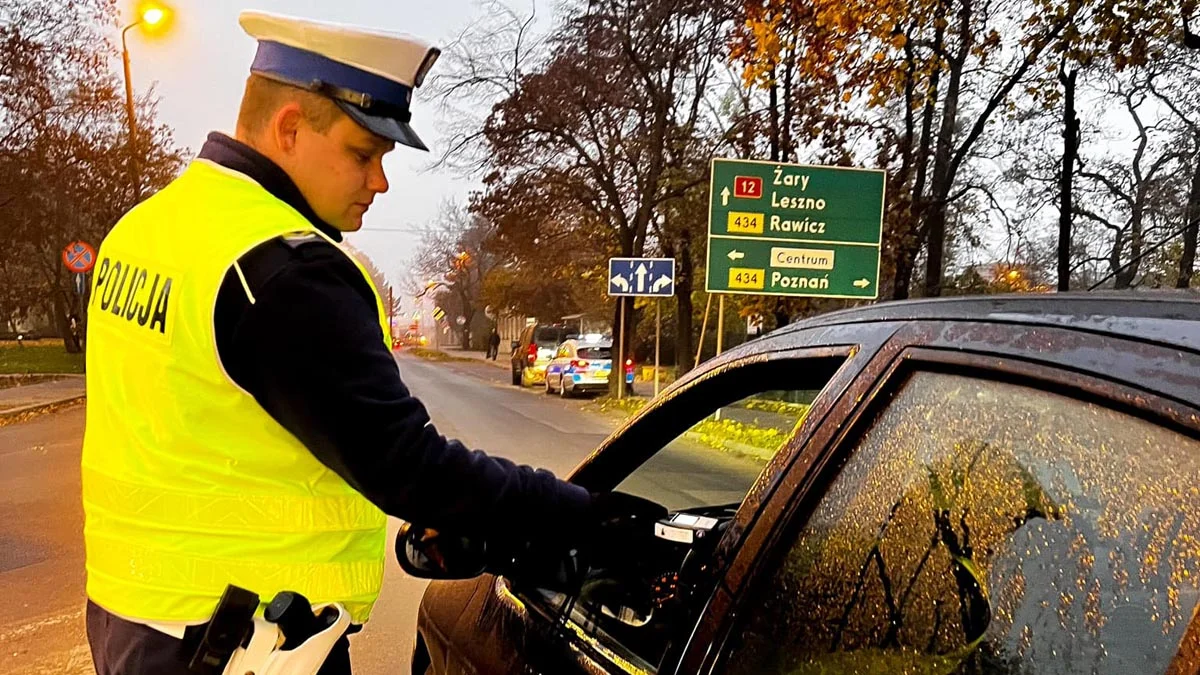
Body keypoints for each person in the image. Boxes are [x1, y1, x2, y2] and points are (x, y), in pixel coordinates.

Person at [81, 11, 650, 675]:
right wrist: (582, 516)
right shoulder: (282, 268)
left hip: (133, 617)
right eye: (363, 153)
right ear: (290, 126)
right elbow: (409, 466)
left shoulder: (148, 228)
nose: (379, 181)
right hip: (243, 644)